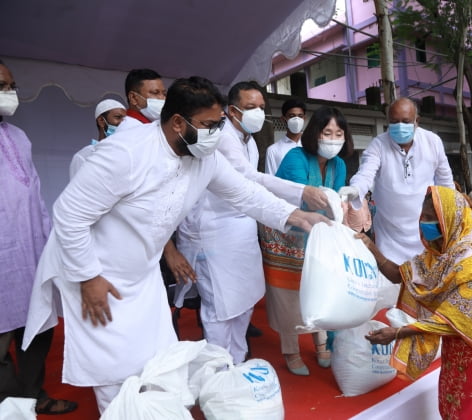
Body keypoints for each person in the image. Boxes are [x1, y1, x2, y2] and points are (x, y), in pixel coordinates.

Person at [22, 76, 329, 413]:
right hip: (98, 273)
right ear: (178, 122)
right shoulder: (126, 153)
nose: (216, 133)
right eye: (209, 125)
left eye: (219, 124)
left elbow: (245, 193)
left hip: (142, 274)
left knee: (157, 362)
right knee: (113, 372)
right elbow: (68, 214)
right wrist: (87, 277)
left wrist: (297, 216)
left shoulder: (203, 157)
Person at [170, 82, 328, 364]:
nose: (258, 113)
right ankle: (220, 370)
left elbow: (247, 191)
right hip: (213, 231)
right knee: (220, 309)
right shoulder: (222, 138)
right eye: (251, 107)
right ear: (232, 111)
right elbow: (247, 182)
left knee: (243, 304)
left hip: (242, 229)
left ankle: (238, 363)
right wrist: (299, 195)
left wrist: (295, 214)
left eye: (261, 107)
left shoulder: (249, 140)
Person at [358, 186, 472, 419]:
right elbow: (399, 275)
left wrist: (398, 333)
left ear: (448, 220)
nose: (422, 223)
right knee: (451, 409)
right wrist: (371, 247)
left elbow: (452, 321)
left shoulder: (470, 263)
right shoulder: (436, 256)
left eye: (429, 218)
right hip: (457, 352)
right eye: (422, 216)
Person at [0, 60, 77, 415]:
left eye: (11, 86)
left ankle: (34, 395)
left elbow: (35, 197)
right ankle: (11, 403)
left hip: (29, 256)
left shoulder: (18, 136)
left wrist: (50, 246)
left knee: (37, 332)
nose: (10, 94)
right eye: (2, 86)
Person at [261, 106, 353, 376]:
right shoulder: (295, 158)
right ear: (315, 133)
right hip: (286, 233)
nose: (333, 139)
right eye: (327, 132)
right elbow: (307, 199)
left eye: (339, 133)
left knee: (320, 285)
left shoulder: (340, 164)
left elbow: (337, 201)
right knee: (289, 293)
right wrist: (337, 204)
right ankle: (291, 350)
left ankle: (321, 341)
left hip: (319, 233)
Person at [342, 97, 454, 265]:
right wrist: (356, 189)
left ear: (417, 121)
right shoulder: (378, 145)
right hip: (389, 235)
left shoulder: (432, 142)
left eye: (405, 121)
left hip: (425, 230)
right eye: (394, 122)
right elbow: (365, 173)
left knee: (427, 280)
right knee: (391, 283)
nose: (400, 126)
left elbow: (446, 181)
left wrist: (453, 211)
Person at [69, 99, 126, 178]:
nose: (123, 123)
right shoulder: (84, 157)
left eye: (125, 119)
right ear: (101, 121)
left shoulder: (127, 154)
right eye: (118, 117)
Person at [264, 97, 306, 175]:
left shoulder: (312, 145)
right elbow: (271, 181)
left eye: (300, 116)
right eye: (292, 116)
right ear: (283, 119)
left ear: (304, 118)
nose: (297, 120)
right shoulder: (273, 150)